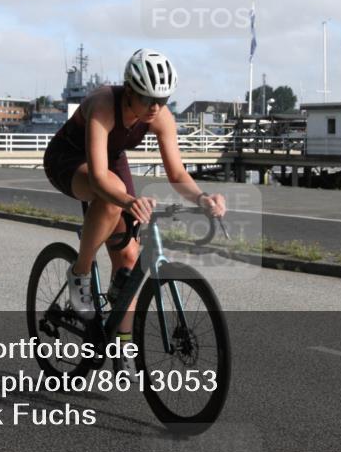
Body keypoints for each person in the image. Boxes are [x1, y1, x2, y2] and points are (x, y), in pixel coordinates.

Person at [43, 49, 226, 369]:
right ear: (129, 90)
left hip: (111, 161)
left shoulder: (160, 116)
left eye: (163, 99)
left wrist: (203, 198)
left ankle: (122, 344)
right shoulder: (103, 104)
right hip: (68, 158)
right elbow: (99, 179)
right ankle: (79, 272)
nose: (155, 107)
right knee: (110, 196)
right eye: (147, 98)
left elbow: (177, 173)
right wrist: (129, 200)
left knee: (129, 257)